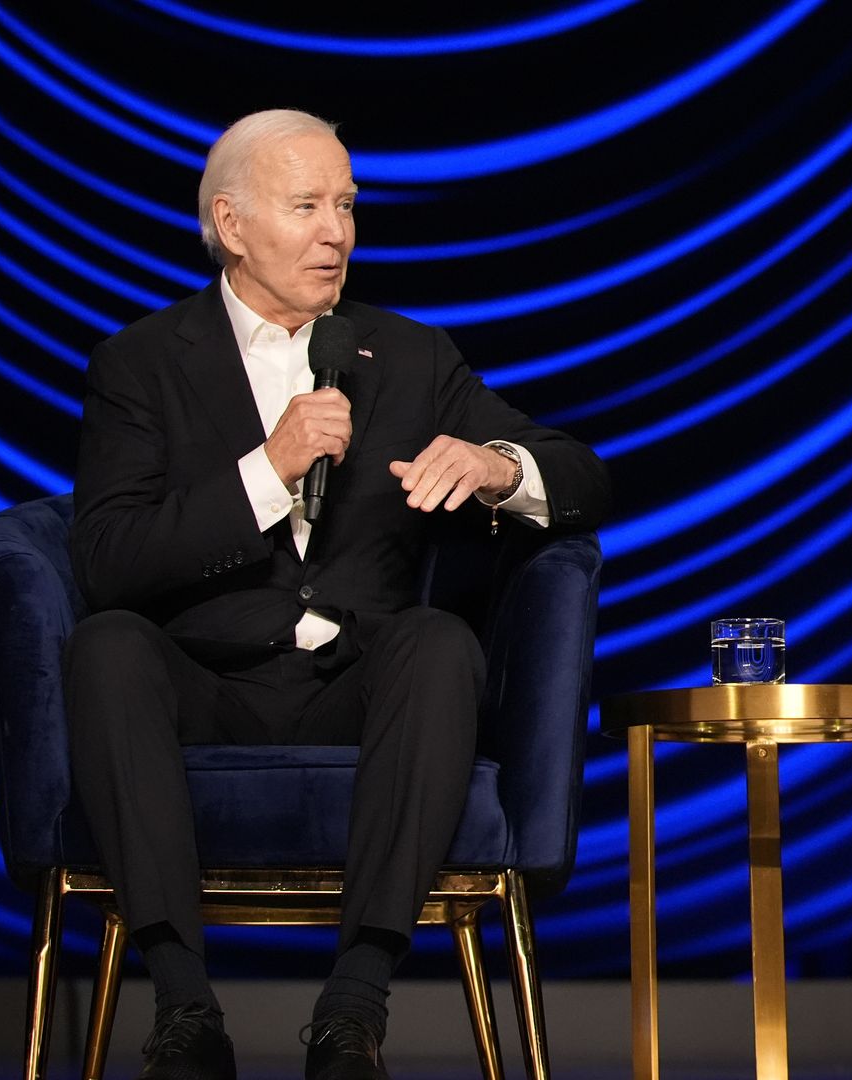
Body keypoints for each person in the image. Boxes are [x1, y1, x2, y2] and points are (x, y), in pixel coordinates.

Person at [65, 109, 609, 1080]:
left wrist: (494, 465)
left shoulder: (407, 358)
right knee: (106, 644)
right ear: (231, 226)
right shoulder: (140, 364)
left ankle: (353, 1011)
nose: (338, 232)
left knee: (441, 645)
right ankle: (186, 1011)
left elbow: (581, 474)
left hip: (360, 694)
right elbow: (108, 556)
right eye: (308, 205)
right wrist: (267, 469)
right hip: (205, 689)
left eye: (348, 206)